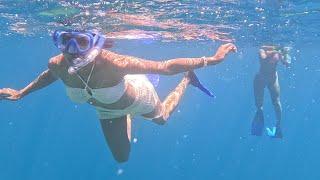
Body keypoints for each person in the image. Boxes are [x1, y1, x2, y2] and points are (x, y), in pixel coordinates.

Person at [0, 30, 237, 162]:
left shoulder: (114, 63)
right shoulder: (58, 64)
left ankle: (188, 79)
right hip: (108, 109)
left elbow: (165, 67)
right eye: (65, 41)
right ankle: (127, 117)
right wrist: (22, 93)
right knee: (122, 158)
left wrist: (213, 59)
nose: (71, 50)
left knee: (162, 118)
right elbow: (49, 76)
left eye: (81, 42)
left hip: (138, 97)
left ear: (94, 44)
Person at [251, 45, 291, 138]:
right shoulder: (262, 50)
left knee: (276, 102)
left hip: (273, 78)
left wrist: (285, 57)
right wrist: (276, 52)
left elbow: (287, 63)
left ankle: (278, 126)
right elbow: (263, 58)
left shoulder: (278, 52)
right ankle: (259, 116)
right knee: (259, 104)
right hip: (260, 78)